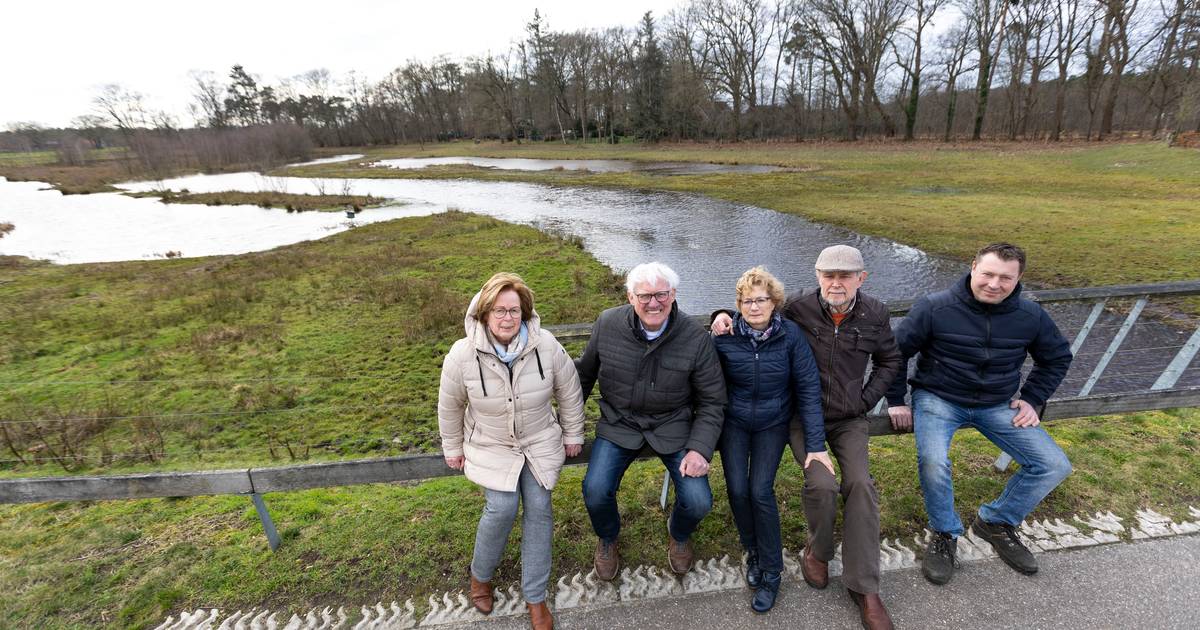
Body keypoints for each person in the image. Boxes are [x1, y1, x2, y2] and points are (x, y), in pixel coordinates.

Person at [712, 245, 902, 630]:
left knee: (861, 485)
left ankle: (865, 587)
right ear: (817, 276)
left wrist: (866, 399)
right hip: (801, 416)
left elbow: (891, 361)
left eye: (845, 276)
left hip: (848, 418)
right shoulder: (798, 307)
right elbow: (752, 308)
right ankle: (817, 553)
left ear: (861, 278)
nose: (836, 283)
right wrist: (720, 315)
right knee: (822, 484)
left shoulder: (875, 313)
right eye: (829, 275)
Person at [886, 243, 1073, 586]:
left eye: (1005, 278)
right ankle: (945, 533)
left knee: (1053, 464)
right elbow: (895, 353)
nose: (994, 284)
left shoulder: (1031, 315)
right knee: (933, 461)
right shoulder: (934, 307)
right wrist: (896, 400)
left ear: (1019, 278)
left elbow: (1057, 357)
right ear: (973, 267)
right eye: (988, 274)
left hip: (997, 403)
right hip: (938, 399)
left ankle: (996, 522)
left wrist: (1032, 399)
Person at [439, 272, 585, 630]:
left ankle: (535, 597)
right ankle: (480, 576)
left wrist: (573, 434)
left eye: (514, 311)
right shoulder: (462, 354)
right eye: (499, 311)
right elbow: (450, 406)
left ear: (525, 312)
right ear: (485, 313)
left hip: (538, 441)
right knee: (502, 507)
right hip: (490, 445)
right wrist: (452, 446)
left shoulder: (546, 345)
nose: (508, 318)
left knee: (539, 508)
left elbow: (569, 391)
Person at [575, 262, 727, 580]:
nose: (654, 303)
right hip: (619, 423)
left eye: (661, 294)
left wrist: (700, 449)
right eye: (645, 296)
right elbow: (584, 377)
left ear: (673, 294)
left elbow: (713, 401)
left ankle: (679, 532)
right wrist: (570, 428)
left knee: (698, 501)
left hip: (673, 426)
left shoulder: (694, 337)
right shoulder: (608, 323)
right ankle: (607, 537)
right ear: (631, 297)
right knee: (595, 490)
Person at [710, 266, 828, 613]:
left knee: (760, 490)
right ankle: (753, 551)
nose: (755, 307)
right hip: (734, 422)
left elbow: (808, 388)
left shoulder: (790, 336)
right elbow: (704, 380)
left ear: (774, 302)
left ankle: (772, 570)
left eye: (761, 300)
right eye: (747, 301)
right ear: (738, 305)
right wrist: (715, 320)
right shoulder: (725, 335)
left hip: (772, 422)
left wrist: (816, 444)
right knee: (737, 489)